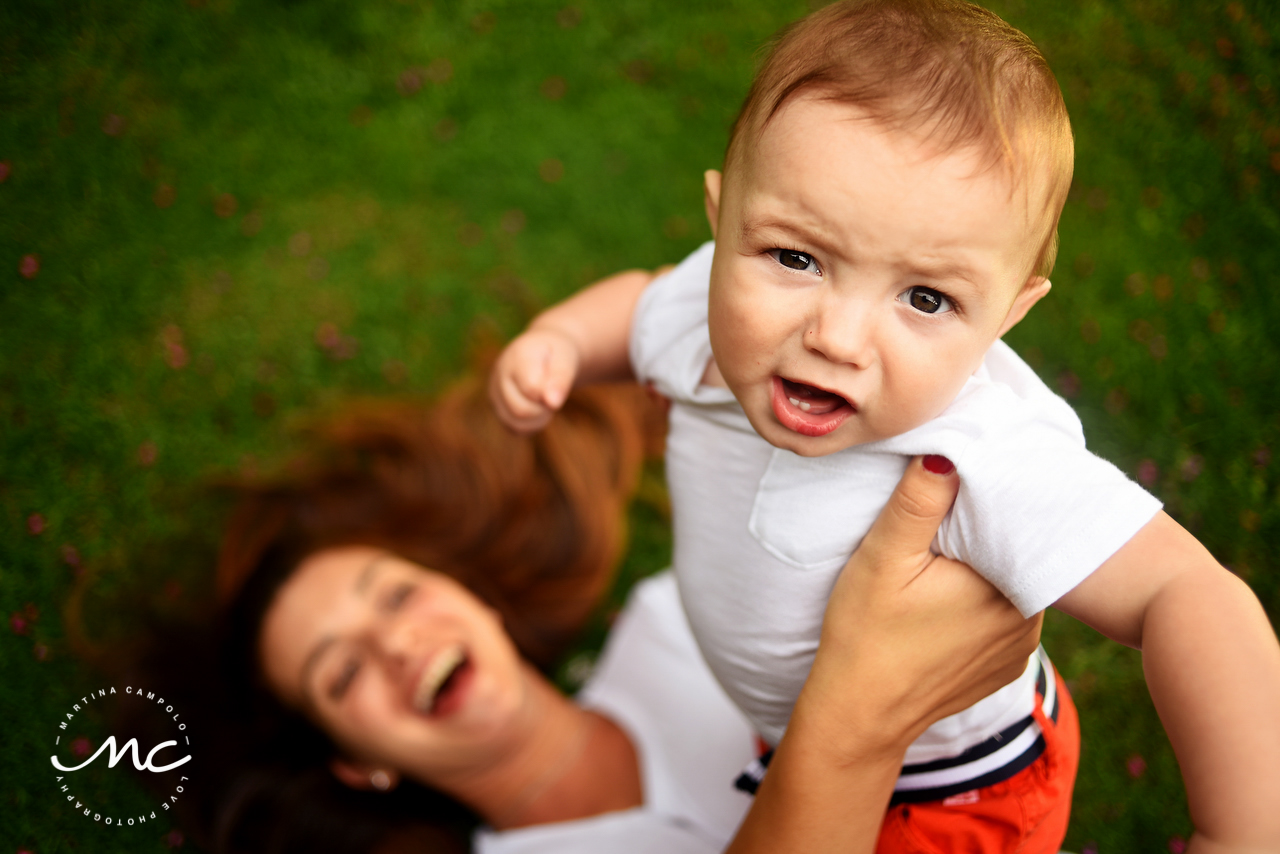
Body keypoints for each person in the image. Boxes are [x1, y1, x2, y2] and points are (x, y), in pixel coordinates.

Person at [488, 1, 1280, 851]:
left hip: (955, 793)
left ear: (1008, 317)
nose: (836, 336)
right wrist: (563, 343)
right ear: (720, 225)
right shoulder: (703, 306)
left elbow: (1189, 596)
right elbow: (643, 301)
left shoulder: (978, 449)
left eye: (926, 298)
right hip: (798, 737)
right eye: (797, 258)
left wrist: (1242, 831)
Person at [140, 377, 1039, 854]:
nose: (398, 644)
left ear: (476, 600)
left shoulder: (681, 615)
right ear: (359, 765)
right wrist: (857, 726)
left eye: (400, 594)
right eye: (341, 674)